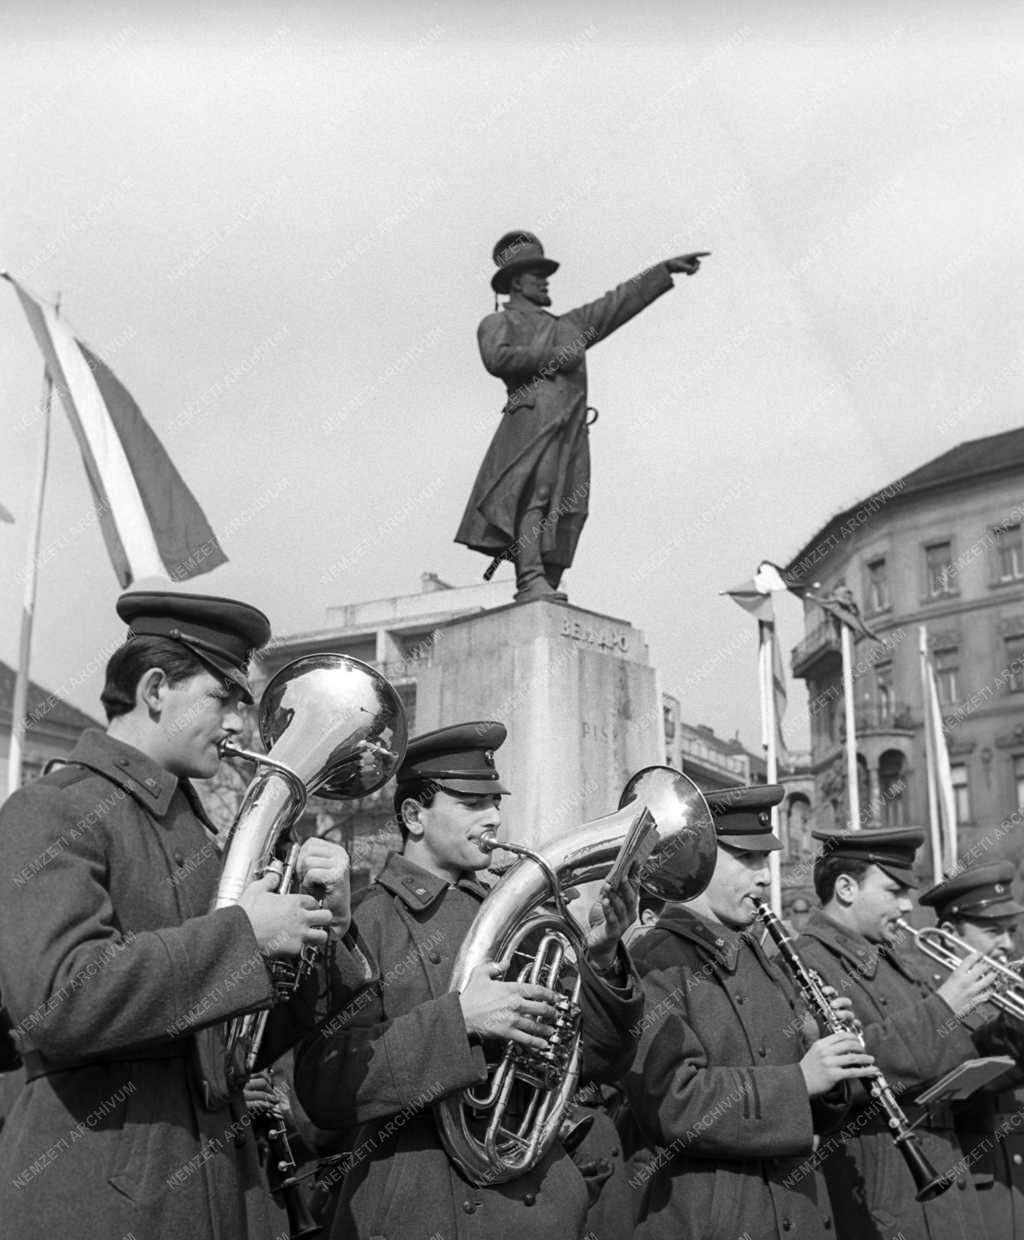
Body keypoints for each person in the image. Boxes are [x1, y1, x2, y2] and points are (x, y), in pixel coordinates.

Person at [0, 588, 365, 1240]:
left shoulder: (198, 834)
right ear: (156, 688)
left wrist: (319, 931)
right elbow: (57, 1001)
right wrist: (244, 935)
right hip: (100, 1192)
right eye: (222, 699)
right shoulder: (51, 808)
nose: (238, 726)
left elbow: (245, 1041)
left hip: (219, 1188)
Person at [294, 720, 643, 1240]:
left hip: (541, 1207)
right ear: (414, 816)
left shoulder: (525, 921)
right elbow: (325, 1089)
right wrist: (461, 1021)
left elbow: (601, 1061)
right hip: (423, 1211)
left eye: (495, 802)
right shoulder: (364, 921)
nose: (495, 817)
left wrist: (603, 954)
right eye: (471, 803)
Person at [626, 785, 874, 1240]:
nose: (764, 878)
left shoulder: (764, 959)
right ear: (697, 857)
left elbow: (813, 1118)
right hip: (711, 1220)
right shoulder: (656, 958)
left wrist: (827, 1060)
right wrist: (800, 1080)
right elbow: (673, 1103)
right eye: (749, 860)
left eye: (766, 862)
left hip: (795, 1211)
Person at [455, 231, 709, 602]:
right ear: (516, 282)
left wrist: (662, 271)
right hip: (533, 422)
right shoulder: (497, 323)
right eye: (536, 273)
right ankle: (530, 577)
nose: (545, 280)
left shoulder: (567, 325)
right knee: (534, 496)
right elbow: (498, 359)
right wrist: (556, 354)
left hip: (571, 426)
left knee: (570, 505)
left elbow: (615, 304)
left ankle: (547, 578)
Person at [794, 827, 999, 1240]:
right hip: (883, 1191)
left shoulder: (894, 959)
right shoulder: (805, 961)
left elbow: (955, 1055)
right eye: (893, 891)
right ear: (847, 889)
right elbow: (846, 1072)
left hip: (942, 1174)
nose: (907, 906)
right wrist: (944, 1008)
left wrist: (1002, 1029)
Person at [918, 862, 1024, 1237]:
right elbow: (943, 1092)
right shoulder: (927, 1003)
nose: (1007, 945)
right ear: (948, 934)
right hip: (977, 1190)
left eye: (1011, 931)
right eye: (993, 931)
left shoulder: (1010, 992)